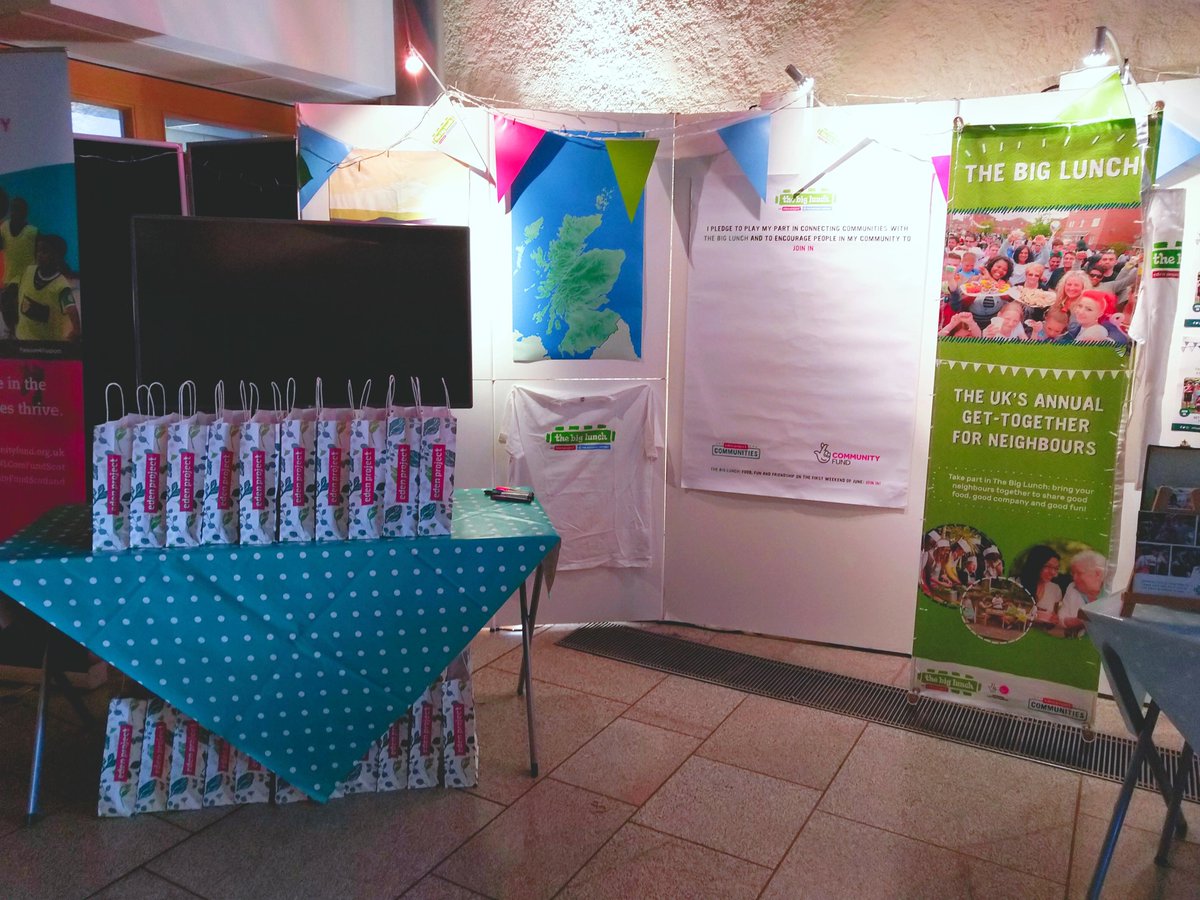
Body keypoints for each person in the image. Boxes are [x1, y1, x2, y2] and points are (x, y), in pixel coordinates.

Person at [14, 233, 80, 342]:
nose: (39, 254)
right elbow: (23, 293)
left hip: (47, 344)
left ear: (58, 256)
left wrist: (76, 332)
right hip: (23, 337)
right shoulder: (29, 270)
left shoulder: (61, 286)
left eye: (44, 251)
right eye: (38, 251)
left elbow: (72, 310)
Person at [0, 197, 37, 337]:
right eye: (13, 208)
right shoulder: (3, 228)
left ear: (25, 213)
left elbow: (44, 253)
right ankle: (11, 330)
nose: (15, 212)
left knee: (19, 305)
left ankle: (19, 331)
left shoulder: (33, 232)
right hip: (9, 277)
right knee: (6, 304)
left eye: (19, 209)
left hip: (27, 278)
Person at [1059, 550, 1106, 635]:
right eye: (1073, 574)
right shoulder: (1072, 588)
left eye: (1079, 573)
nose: (1074, 578)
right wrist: (1081, 622)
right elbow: (1062, 618)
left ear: (1098, 574)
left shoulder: (1113, 590)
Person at [1055, 290, 1127, 345]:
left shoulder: (1096, 332)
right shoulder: (1081, 326)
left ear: (1100, 314)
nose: (1081, 311)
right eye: (1080, 306)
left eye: (1089, 309)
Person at [1019, 545, 1063, 628]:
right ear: (1036, 564)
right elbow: (1008, 608)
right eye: (1048, 566)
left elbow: (1054, 617)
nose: (1053, 573)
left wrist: (1055, 620)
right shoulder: (1018, 582)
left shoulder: (1055, 589)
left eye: (1056, 568)